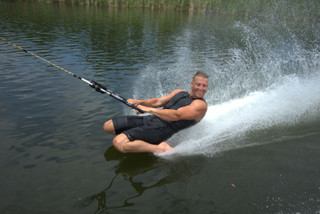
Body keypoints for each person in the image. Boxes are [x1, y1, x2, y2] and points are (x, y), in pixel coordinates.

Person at [103, 71, 209, 154]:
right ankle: (136, 141)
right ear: (191, 84)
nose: (201, 88)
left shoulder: (200, 105)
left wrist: (148, 109)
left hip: (163, 129)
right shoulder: (180, 92)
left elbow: (177, 115)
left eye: (204, 86)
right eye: (198, 84)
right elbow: (158, 101)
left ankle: (159, 148)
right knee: (108, 126)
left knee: (119, 142)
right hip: (152, 120)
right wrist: (138, 102)